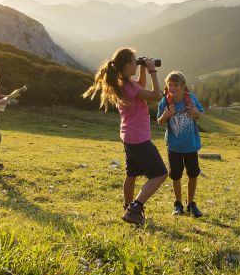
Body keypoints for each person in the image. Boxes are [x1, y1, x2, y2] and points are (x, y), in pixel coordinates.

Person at [83, 48, 167, 226]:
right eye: (135, 62)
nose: (137, 64)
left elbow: (140, 87)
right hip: (138, 138)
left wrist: (143, 69)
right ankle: (135, 208)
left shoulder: (124, 82)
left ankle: (128, 206)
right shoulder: (127, 86)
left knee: (132, 174)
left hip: (129, 136)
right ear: (128, 65)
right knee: (160, 174)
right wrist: (152, 70)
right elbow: (156, 96)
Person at [157, 71, 205, 217]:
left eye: (176, 85)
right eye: (169, 85)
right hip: (174, 147)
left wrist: (195, 113)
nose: (172, 88)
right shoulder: (164, 102)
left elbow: (201, 115)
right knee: (176, 176)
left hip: (191, 146)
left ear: (183, 86)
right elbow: (159, 122)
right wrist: (166, 115)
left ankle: (191, 203)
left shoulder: (191, 99)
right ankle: (178, 204)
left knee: (193, 174)